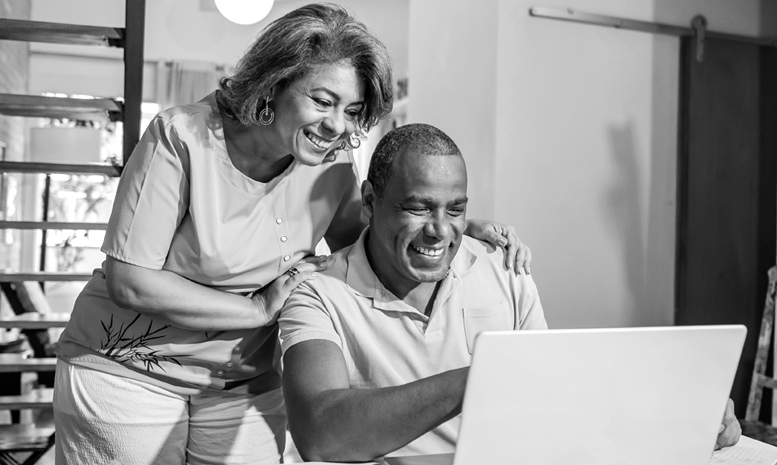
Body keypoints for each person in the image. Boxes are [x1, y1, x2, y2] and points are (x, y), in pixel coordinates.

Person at [52, 4, 532, 465]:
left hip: (244, 382)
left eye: (352, 111)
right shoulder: (181, 137)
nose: (336, 126)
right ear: (273, 82)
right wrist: (257, 309)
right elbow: (131, 280)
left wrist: (453, 227)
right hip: (130, 372)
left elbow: (369, 240)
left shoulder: (331, 166)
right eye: (323, 102)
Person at [277, 123, 742, 462]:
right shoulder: (318, 293)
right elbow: (321, 432)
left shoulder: (503, 268)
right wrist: (480, 377)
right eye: (418, 208)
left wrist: (678, 412)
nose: (440, 231)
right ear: (371, 202)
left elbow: (553, 397)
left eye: (455, 209)